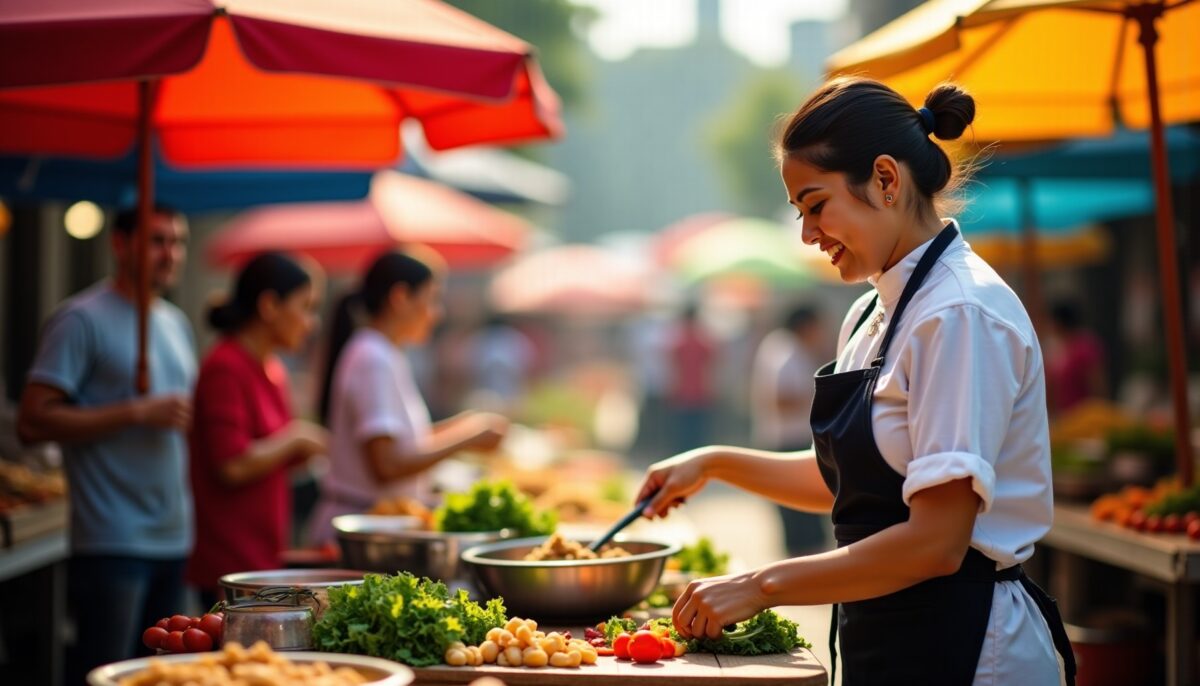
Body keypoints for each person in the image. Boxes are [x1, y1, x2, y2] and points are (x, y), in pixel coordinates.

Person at [636, 77, 1076, 686]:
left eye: (816, 205)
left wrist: (762, 585)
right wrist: (713, 463)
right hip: (890, 635)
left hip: (971, 648)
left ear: (886, 180)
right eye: (800, 212)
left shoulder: (959, 313)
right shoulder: (871, 310)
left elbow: (936, 544)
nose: (807, 233)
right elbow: (852, 482)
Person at [17, 206, 196, 681]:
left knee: (166, 676)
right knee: (108, 672)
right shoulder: (80, 319)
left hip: (174, 535)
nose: (170, 254)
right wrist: (136, 412)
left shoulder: (175, 323)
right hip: (112, 536)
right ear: (120, 244)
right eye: (157, 240)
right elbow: (32, 421)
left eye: (178, 242)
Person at [308, 250, 508, 545]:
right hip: (362, 533)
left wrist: (466, 426)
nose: (437, 313)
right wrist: (467, 437)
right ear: (400, 298)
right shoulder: (373, 357)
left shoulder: (384, 353)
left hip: (377, 528)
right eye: (432, 299)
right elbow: (387, 465)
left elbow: (404, 443)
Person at [186, 252, 329, 608]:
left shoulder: (273, 368)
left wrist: (303, 449)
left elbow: (271, 457)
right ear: (269, 306)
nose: (311, 322)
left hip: (263, 554)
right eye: (306, 307)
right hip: (230, 561)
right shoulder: (226, 365)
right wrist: (296, 437)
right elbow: (231, 465)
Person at [750, 304, 828, 556]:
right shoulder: (788, 351)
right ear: (806, 326)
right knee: (802, 518)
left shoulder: (778, 345)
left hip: (783, 438)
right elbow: (780, 399)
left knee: (798, 518)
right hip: (790, 441)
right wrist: (822, 398)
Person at [665, 304, 717, 452]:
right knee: (698, 434)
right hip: (699, 392)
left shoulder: (679, 343)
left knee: (683, 434)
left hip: (684, 392)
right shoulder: (703, 342)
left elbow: (672, 369)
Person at [1044, 298, 1107, 415]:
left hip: (1084, 416)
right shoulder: (1057, 348)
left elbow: (1096, 384)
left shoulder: (1084, 347)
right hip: (1064, 417)